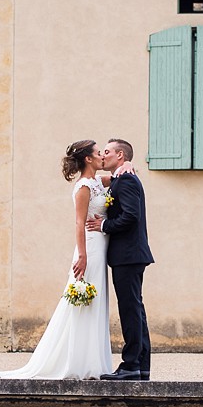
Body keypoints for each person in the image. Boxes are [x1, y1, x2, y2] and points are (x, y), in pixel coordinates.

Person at [0, 140, 112, 380]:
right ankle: (77, 362)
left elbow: (119, 178)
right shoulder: (84, 187)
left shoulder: (97, 182)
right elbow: (78, 223)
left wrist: (127, 167)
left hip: (100, 248)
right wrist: (82, 255)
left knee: (97, 300)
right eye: (98, 153)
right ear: (88, 159)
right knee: (84, 300)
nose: (103, 156)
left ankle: (93, 360)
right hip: (90, 249)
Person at [87, 139, 153, 381]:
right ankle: (141, 365)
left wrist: (103, 225)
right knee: (136, 309)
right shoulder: (120, 178)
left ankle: (130, 365)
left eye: (107, 152)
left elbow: (131, 217)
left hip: (128, 255)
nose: (103, 156)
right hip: (129, 255)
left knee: (130, 310)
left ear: (121, 155)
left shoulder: (125, 180)